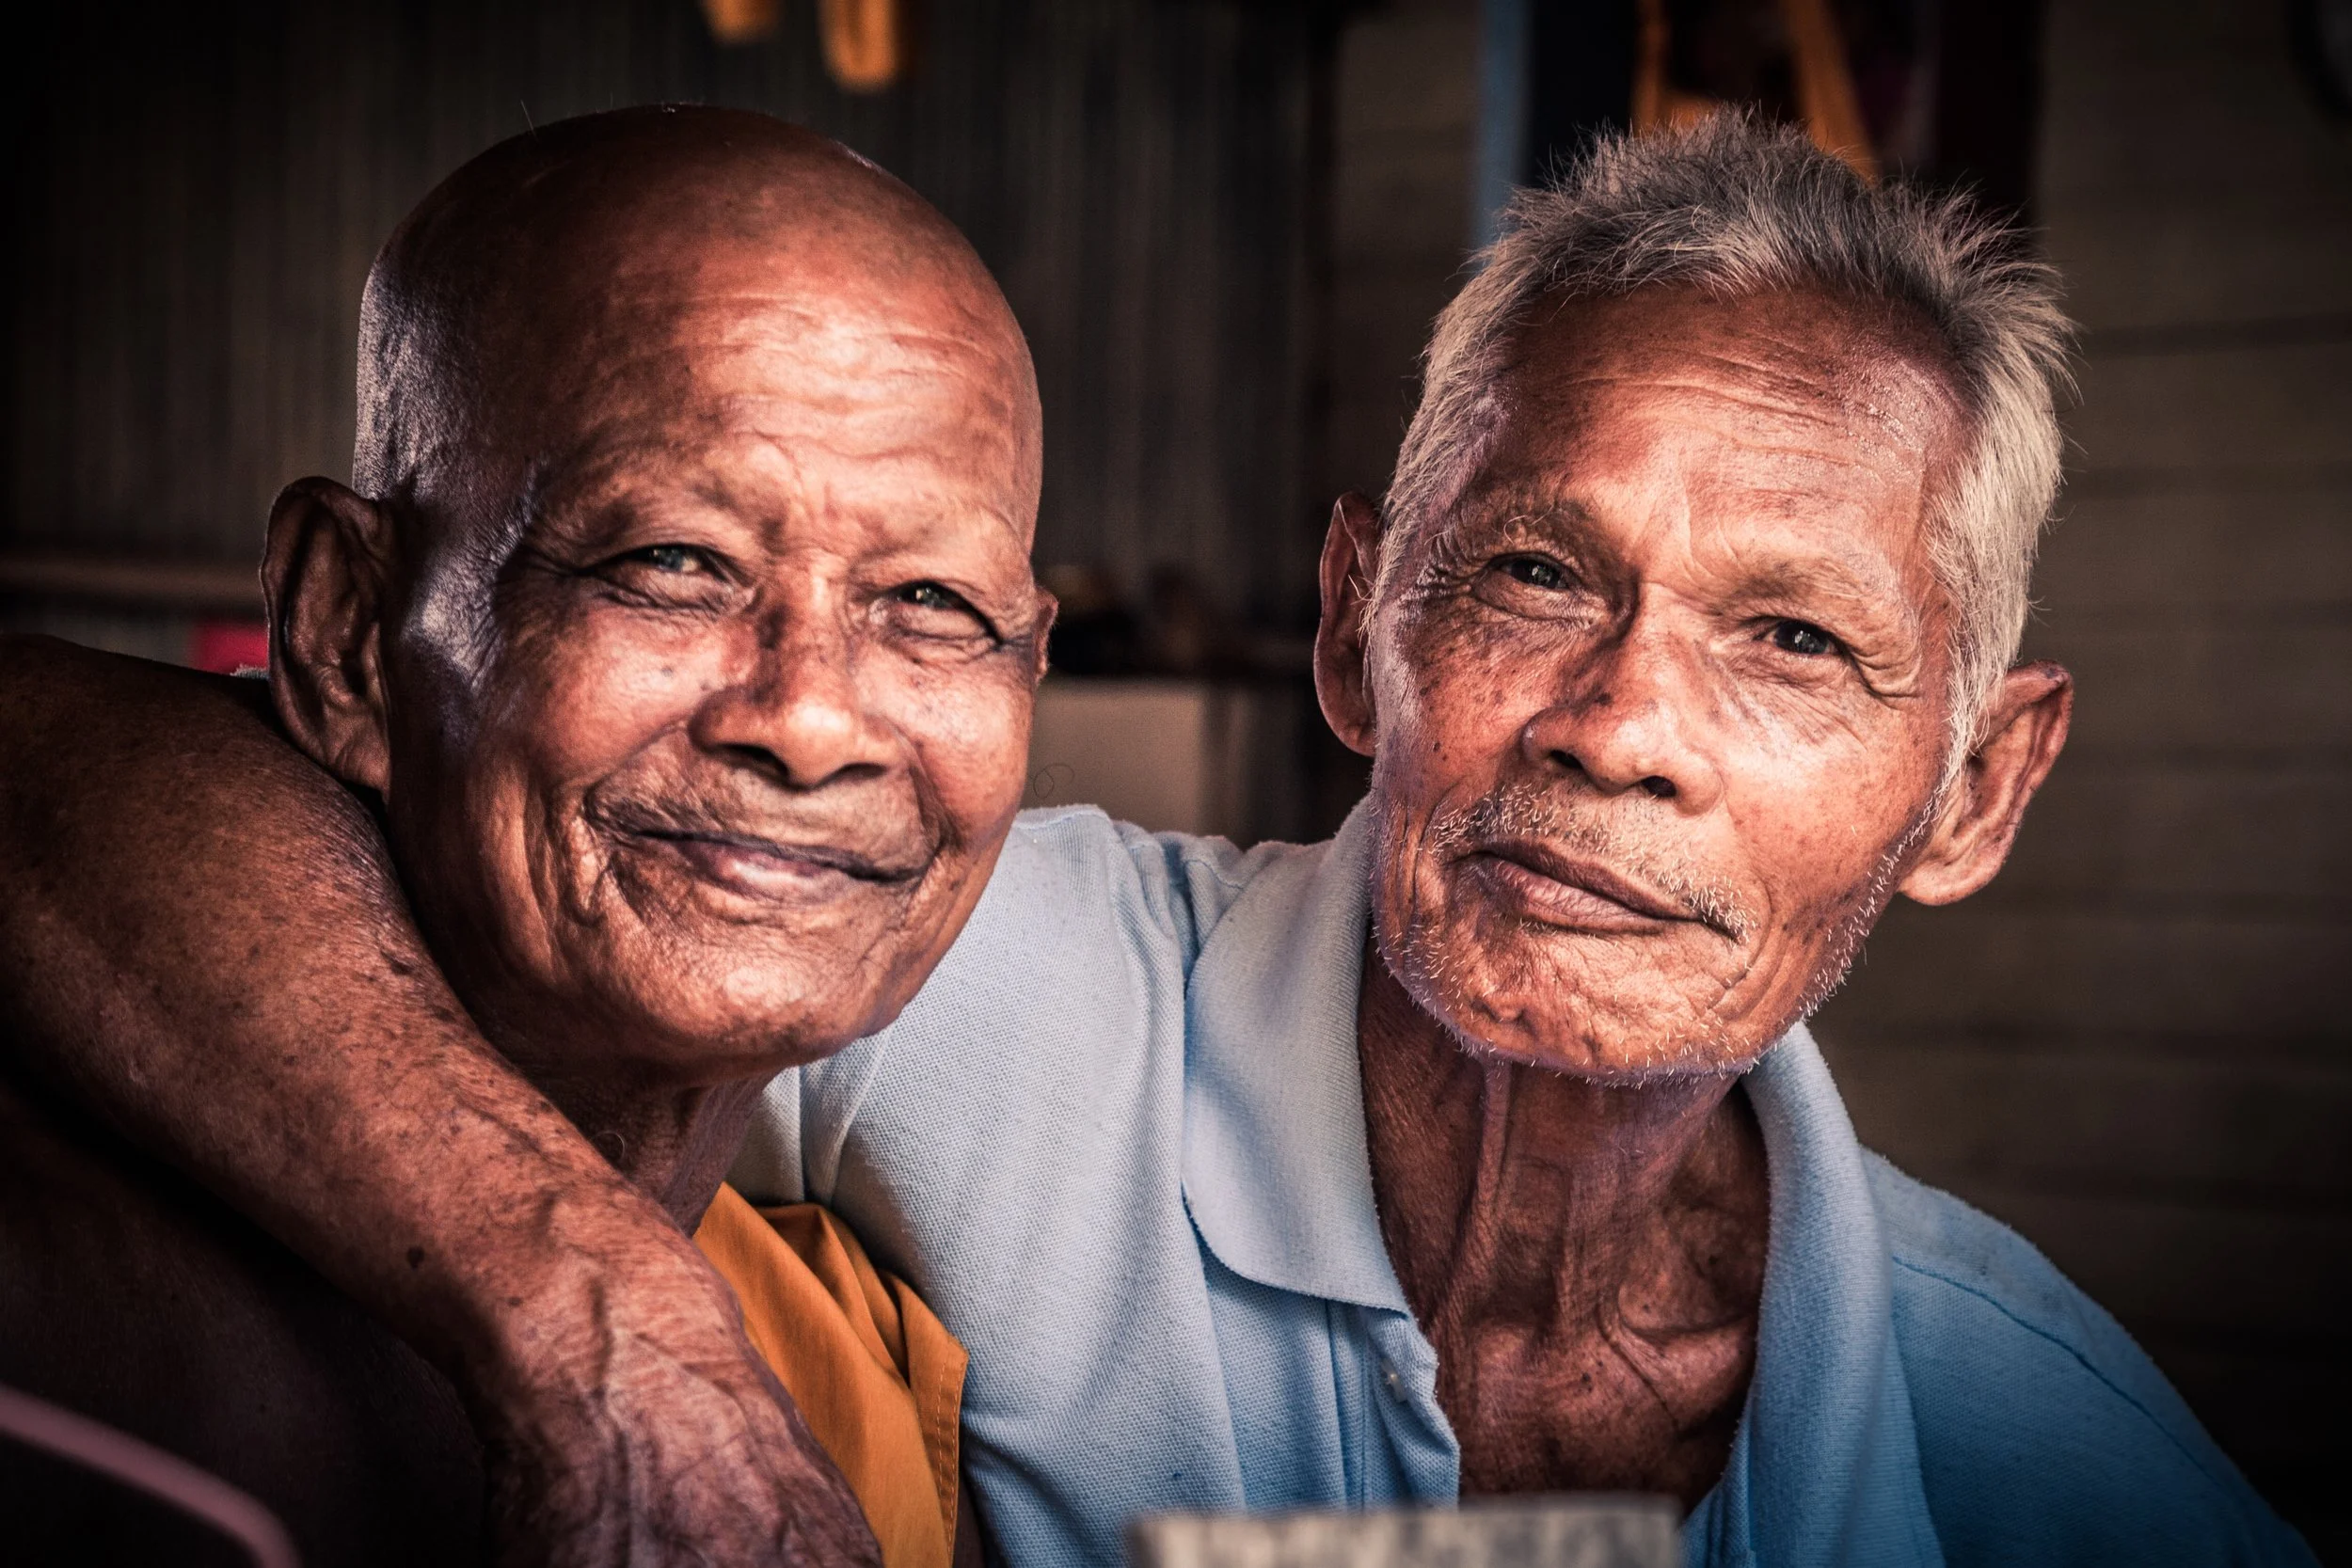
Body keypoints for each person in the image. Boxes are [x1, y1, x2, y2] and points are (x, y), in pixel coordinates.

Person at [0, 118, 2314, 1567]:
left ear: (1974, 783)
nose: (1620, 727)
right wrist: (594, 1305)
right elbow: (87, 769)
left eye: (1790, 639)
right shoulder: (954, 947)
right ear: (1353, 621)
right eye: (1529, 574)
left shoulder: (2050, 1462)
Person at [0, 104, 1054, 1568]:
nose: (814, 720)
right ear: (349, 629)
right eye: (671, 561)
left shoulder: (844, 1377)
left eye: (936, 603)